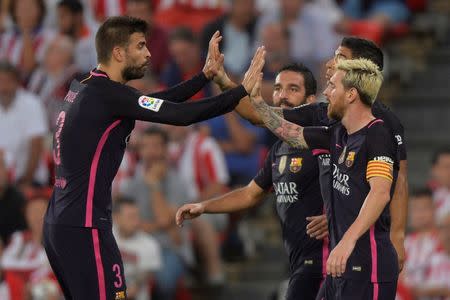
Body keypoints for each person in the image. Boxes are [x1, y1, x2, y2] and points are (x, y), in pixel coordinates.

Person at [42, 17, 264, 300]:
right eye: (140, 46)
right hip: (85, 227)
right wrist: (241, 91)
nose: (149, 54)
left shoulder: (86, 87)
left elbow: (157, 104)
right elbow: (180, 116)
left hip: (62, 223)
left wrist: (205, 76)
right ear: (119, 52)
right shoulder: (109, 96)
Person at [231, 37, 409, 273]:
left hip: (365, 247)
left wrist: (397, 236)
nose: (329, 64)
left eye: (339, 58)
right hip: (333, 247)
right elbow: (260, 117)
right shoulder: (324, 115)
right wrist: (226, 83)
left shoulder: (384, 125)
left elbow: (396, 184)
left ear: (359, 68)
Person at [176, 63, 327, 300]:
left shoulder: (325, 139)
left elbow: (365, 184)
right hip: (298, 259)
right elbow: (249, 194)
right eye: (278, 88)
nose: (282, 96)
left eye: (293, 89)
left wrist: (336, 216)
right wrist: (204, 206)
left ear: (310, 100)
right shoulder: (279, 149)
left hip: (327, 261)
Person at [112, 197, 161, 300]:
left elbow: (138, 284)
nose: (136, 221)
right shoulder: (105, 238)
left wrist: (119, 295)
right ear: (116, 218)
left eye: (137, 216)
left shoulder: (149, 244)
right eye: (130, 217)